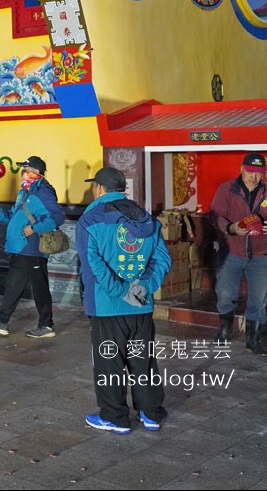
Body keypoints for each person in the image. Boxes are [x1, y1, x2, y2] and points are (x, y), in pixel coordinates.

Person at [76, 166, 172, 435]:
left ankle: (115, 417)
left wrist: (120, 291)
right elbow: (162, 259)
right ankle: (151, 413)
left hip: (107, 306)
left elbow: (92, 265)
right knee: (143, 360)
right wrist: (143, 287)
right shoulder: (146, 218)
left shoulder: (90, 219)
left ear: (98, 188)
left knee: (109, 361)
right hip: (141, 305)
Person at [0, 155, 65, 338]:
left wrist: (34, 228)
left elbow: (57, 216)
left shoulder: (43, 193)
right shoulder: (24, 193)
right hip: (21, 247)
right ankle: (45, 325)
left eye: (26, 171)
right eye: (23, 171)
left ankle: (3, 321)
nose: (23, 174)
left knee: (16, 284)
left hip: (30, 248)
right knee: (37, 286)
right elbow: (14, 217)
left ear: (36, 173)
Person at [210, 152, 267, 356]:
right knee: (224, 293)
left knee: (259, 298)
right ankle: (225, 328)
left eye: (258, 173)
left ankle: (253, 339)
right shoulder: (227, 189)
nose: (254, 176)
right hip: (232, 251)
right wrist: (231, 228)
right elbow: (214, 216)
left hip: (261, 253)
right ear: (242, 169)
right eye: (250, 171)